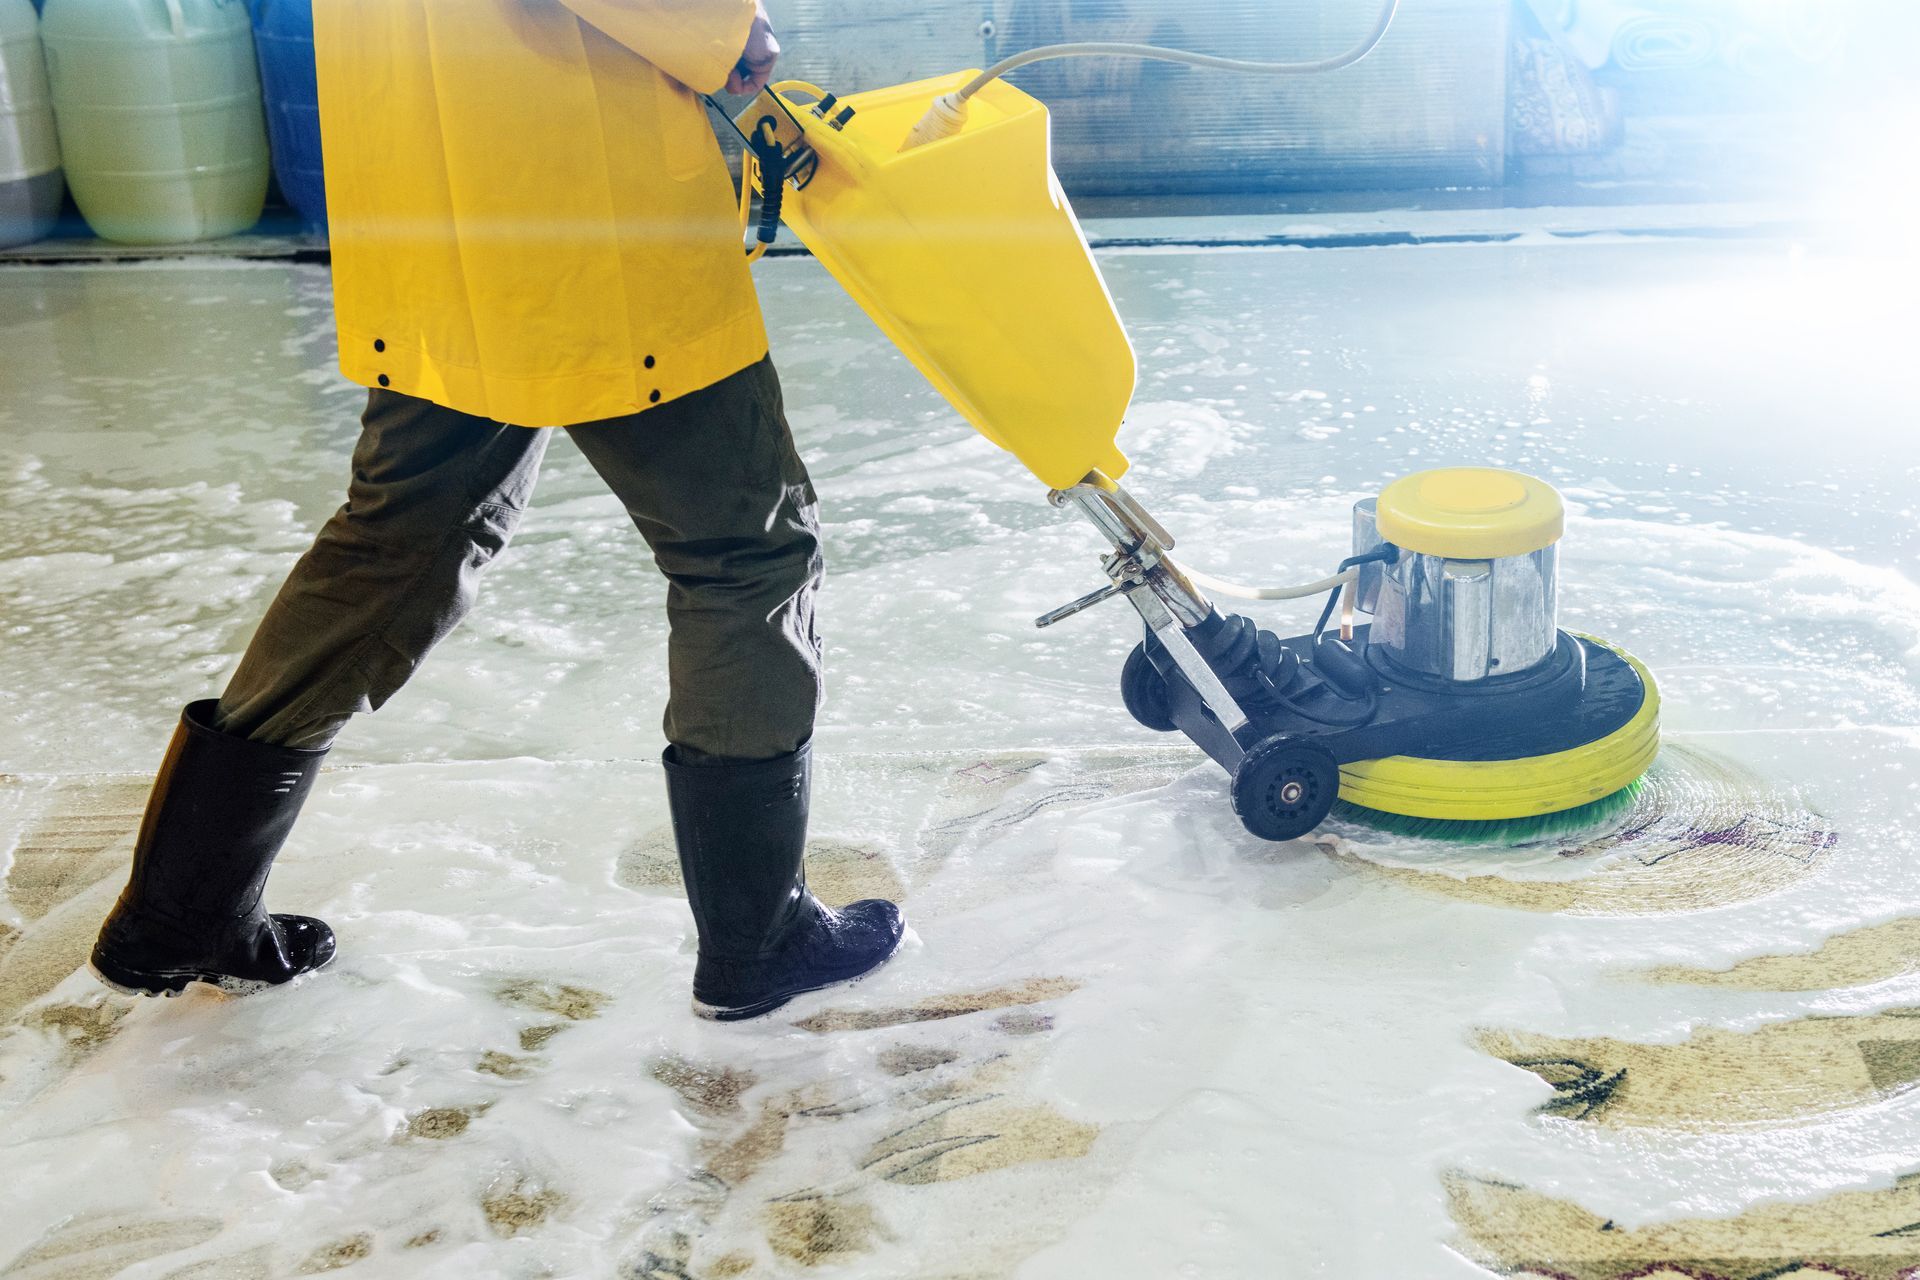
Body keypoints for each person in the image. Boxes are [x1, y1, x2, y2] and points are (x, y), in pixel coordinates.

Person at [88, 0, 904, 1022]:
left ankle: (177, 913)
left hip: (424, 159)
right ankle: (758, 936)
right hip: (571, 175)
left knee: (401, 542)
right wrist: (717, 26)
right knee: (744, 550)